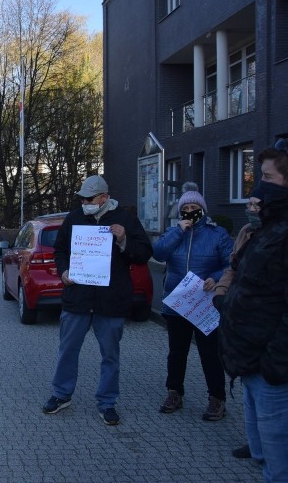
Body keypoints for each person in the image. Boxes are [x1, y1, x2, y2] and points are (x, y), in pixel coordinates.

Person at [42, 174, 153, 425]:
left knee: (110, 355)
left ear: (104, 197)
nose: (85, 203)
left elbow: (144, 253)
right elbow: (60, 251)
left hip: (111, 300)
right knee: (67, 350)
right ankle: (61, 394)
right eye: (82, 199)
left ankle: (107, 402)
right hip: (78, 298)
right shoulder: (74, 218)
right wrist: (63, 272)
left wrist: (124, 239)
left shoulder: (125, 219)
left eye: (89, 199)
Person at [214, 139, 288, 483]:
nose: (258, 186)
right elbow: (242, 274)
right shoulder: (265, 232)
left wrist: (274, 364)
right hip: (251, 361)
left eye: (267, 178)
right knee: (267, 461)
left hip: (272, 369)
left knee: (280, 472)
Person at [151, 183, 233, 420]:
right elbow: (158, 254)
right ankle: (174, 392)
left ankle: (217, 398)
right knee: (177, 352)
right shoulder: (173, 232)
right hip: (177, 304)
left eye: (194, 206)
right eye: (185, 207)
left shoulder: (216, 234)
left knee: (209, 353)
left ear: (203, 209)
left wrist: (215, 278)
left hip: (204, 303)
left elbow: (231, 263)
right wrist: (179, 231)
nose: (190, 210)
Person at [213, 196, 261, 459]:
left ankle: (269, 448)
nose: (251, 210)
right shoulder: (245, 231)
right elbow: (232, 266)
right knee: (250, 390)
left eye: (256, 205)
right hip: (240, 318)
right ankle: (255, 444)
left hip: (264, 321)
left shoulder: (275, 236)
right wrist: (221, 291)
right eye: (249, 205)